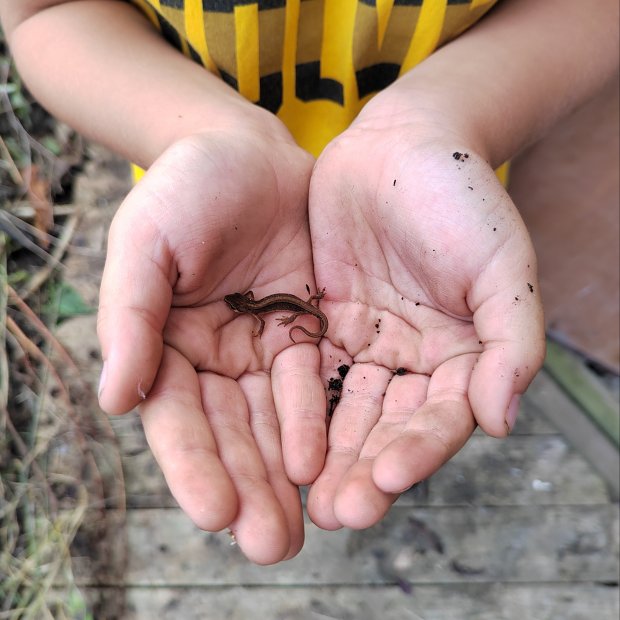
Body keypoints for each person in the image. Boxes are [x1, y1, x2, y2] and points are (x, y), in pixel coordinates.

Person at [1, 0, 616, 565]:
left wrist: (438, 119)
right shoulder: (254, 305)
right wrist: (203, 133)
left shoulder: (266, 312)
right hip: (222, 213)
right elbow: (44, 13)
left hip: (419, 232)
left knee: (384, 427)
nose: (248, 311)